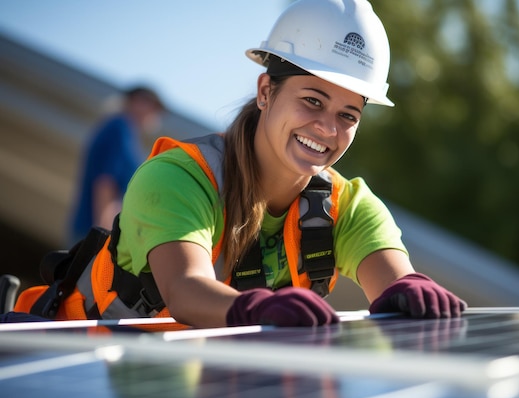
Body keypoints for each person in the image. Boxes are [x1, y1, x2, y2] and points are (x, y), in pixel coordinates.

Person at [14, 0, 465, 329]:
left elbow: (394, 281)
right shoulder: (177, 179)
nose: (328, 128)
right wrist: (254, 309)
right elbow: (187, 291)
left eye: (348, 115)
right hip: (81, 372)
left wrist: (405, 291)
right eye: (312, 101)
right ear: (266, 91)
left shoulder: (348, 207)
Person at [68, 86, 164, 244]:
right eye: (151, 104)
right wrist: (102, 236)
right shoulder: (119, 128)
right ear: (132, 101)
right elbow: (105, 182)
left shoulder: (125, 131)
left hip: (91, 233)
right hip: (91, 235)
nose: (155, 112)